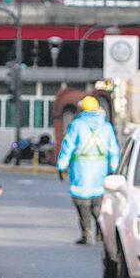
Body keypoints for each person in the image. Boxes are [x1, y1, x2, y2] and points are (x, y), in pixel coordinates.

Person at [56, 95, 120, 244]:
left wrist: (61, 166)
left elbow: (68, 146)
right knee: (98, 203)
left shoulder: (77, 125)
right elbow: (114, 150)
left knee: (82, 201)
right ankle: (100, 231)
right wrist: (114, 169)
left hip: (81, 171)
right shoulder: (106, 127)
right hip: (101, 171)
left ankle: (87, 232)